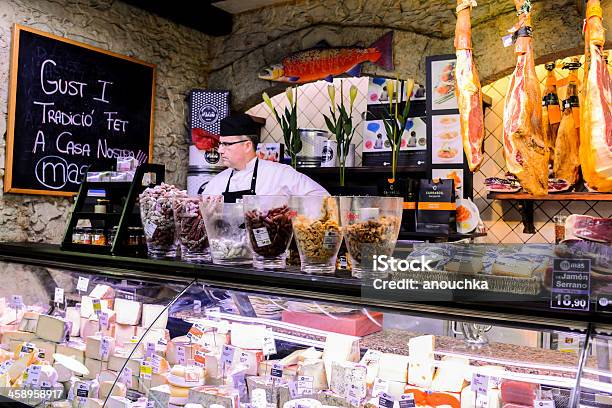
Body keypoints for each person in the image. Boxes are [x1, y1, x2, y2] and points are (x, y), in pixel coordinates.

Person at [202, 113, 328, 202]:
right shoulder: (216, 183)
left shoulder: (281, 174)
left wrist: (291, 217)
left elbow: (323, 198)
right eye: (220, 144)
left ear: (247, 146)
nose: (220, 150)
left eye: (226, 144)